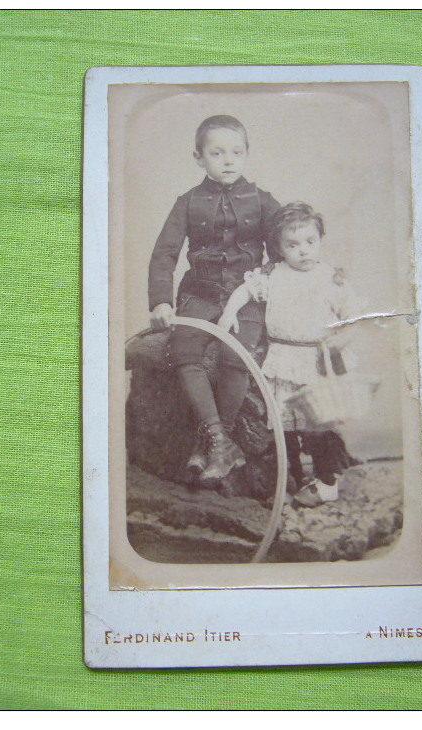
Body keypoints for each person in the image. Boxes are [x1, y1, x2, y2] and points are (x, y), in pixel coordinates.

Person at [148, 115, 280, 485]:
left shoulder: (263, 201)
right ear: (198, 157)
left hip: (247, 296)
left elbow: (283, 253)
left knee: (234, 354)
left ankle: (211, 447)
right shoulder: (187, 203)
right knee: (185, 349)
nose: (228, 160)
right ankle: (220, 441)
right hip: (200, 295)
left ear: (247, 154)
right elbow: (164, 254)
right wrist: (160, 302)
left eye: (237, 152)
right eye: (217, 152)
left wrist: (256, 286)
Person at [218, 202, 365, 507]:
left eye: (310, 242)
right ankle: (290, 478)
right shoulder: (273, 274)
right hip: (282, 360)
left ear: (320, 240)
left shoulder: (329, 278)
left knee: (317, 427)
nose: (303, 251)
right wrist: (230, 311)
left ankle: (326, 482)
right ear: (279, 248)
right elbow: (245, 290)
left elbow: (354, 314)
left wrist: (342, 340)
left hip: (314, 363)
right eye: (292, 244)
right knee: (283, 428)